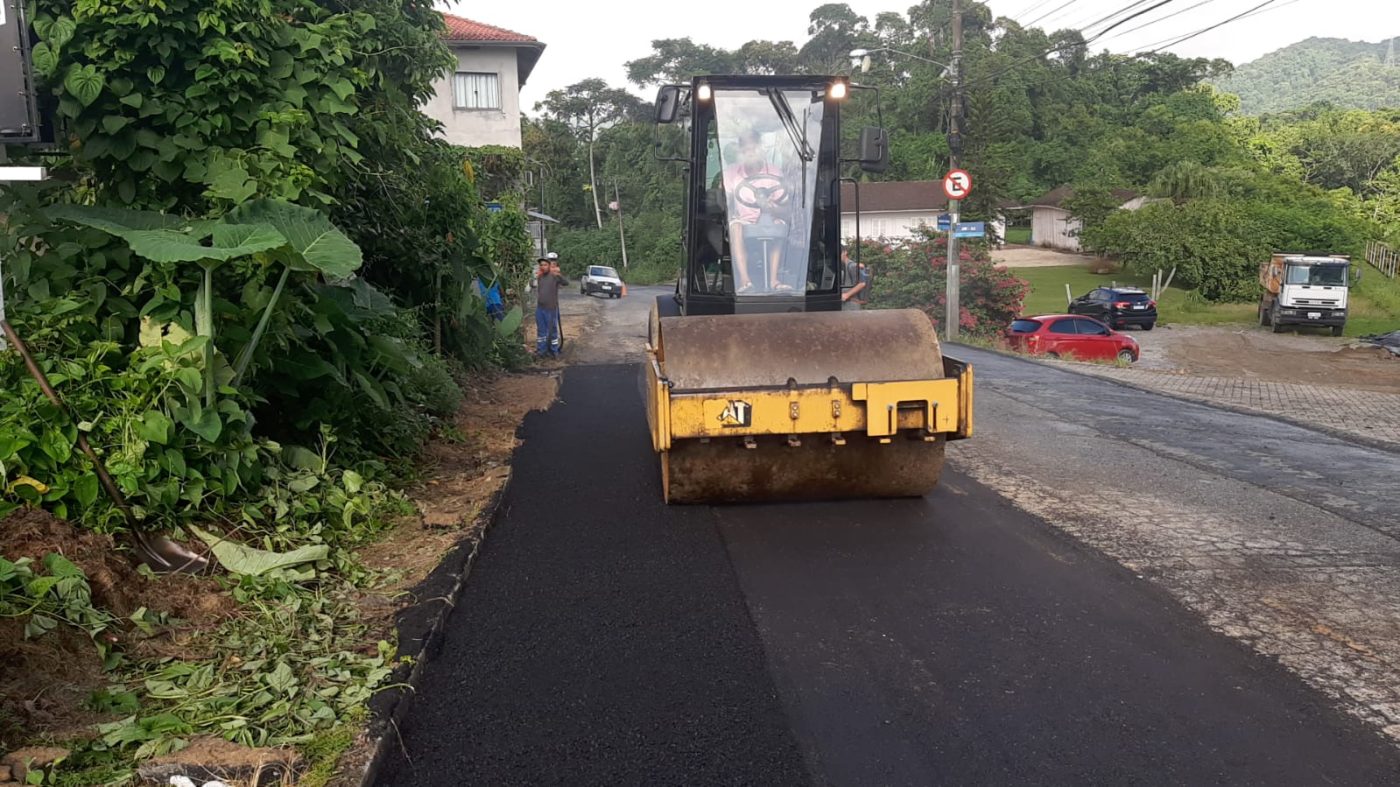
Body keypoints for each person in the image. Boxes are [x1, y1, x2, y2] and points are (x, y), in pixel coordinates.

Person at [723, 129, 789, 292]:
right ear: (741, 152)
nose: (750, 153)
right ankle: (745, 281)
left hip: (770, 218)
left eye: (753, 148)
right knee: (735, 226)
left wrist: (772, 207)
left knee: (780, 226)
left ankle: (774, 280)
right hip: (744, 220)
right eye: (746, 149)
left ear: (760, 149)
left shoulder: (774, 172)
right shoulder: (732, 173)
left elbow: (785, 208)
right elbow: (724, 200)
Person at [533, 254, 568, 357]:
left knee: (552, 330)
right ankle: (541, 350)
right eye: (541, 265)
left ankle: (554, 350)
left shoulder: (554, 276)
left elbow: (565, 283)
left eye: (545, 265)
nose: (543, 266)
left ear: (549, 266)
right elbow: (531, 285)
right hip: (540, 308)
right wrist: (534, 278)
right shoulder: (539, 277)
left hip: (551, 308)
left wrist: (558, 275)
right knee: (541, 331)